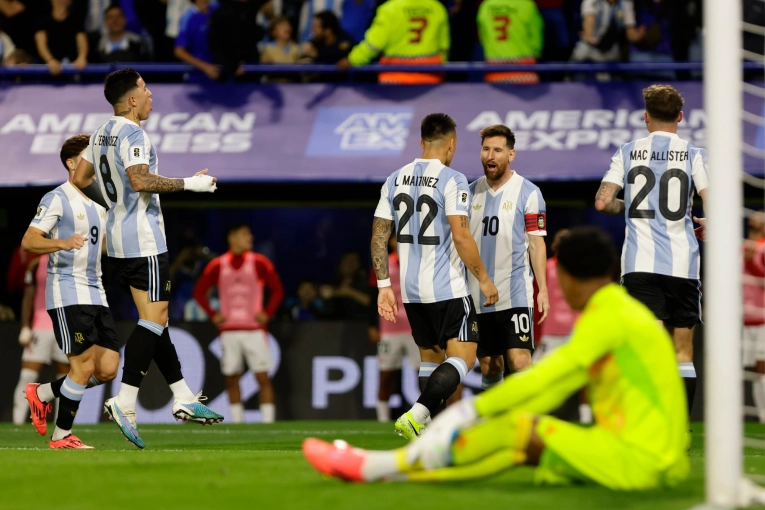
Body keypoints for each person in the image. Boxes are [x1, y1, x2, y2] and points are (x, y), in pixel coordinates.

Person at [303, 227, 690, 491]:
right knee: (521, 446)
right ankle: (393, 474)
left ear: (567, 277)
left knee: (517, 431)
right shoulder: (624, 310)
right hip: (660, 461)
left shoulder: (610, 317)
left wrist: (469, 413)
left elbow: (547, 381)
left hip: (643, 463)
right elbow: (547, 389)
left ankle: (374, 467)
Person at [72, 68, 223, 449]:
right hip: (145, 240)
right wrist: (192, 184)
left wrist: (114, 202)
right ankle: (125, 401)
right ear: (132, 99)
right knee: (154, 322)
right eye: (144, 87)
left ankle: (184, 396)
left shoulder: (100, 133)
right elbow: (140, 180)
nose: (151, 93)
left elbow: (81, 177)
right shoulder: (133, 133)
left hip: (119, 241)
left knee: (155, 320)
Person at [370, 112, 498, 440]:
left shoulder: (394, 179)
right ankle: (417, 414)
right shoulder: (452, 179)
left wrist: (385, 286)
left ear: (420, 142)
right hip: (448, 287)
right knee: (463, 358)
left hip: (412, 292)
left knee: (430, 359)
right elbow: (461, 235)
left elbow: (379, 236)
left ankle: (429, 434)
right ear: (451, 145)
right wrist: (483, 278)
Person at [595, 84, 708, 419]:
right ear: (681, 117)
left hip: (639, 266)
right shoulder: (694, 153)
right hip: (683, 267)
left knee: (647, 350)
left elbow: (602, 202)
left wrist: (629, 205)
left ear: (646, 117)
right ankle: (681, 431)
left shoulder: (627, 151)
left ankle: (647, 425)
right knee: (682, 352)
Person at [20, 134, 121, 449]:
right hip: (67, 290)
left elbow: (100, 247)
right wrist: (61, 242)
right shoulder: (57, 197)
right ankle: (61, 436)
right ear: (72, 162)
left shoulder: (98, 205)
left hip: (96, 292)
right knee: (83, 366)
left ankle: (44, 393)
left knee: (106, 369)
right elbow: (29, 240)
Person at [468, 124, 549, 391]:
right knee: (490, 365)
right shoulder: (468, 194)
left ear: (511, 154)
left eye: (498, 150)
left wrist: (543, 289)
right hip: (477, 296)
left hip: (515, 293)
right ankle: (497, 424)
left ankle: (524, 425)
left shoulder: (528, 192)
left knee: (520, 360)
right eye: (486, 149)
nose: (491, 156)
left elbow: (536, 244)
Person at [192, 223, 284, 423]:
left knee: (262, 377)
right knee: (232, 377)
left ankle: (268, 422)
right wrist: (212, 313)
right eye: (245, 234)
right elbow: (199, 292)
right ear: (232, 238)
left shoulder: (259, 262)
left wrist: (267, 313)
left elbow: (277, 289)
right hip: (229, 330)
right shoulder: (218, 265)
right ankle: (237, 423)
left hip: (254, 330)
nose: (250, 237)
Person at [533, 229, 591, 424]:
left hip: (569, 332)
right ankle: (541, 412)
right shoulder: (548, 268)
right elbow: (536, 300)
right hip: (553, 332)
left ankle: (584, 414)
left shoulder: (577, 270)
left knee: (581, 376)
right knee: (540, 374)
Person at [11, 253, 69, 426]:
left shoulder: (71, 262)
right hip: (40, 326)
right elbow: (28, 295)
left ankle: (62, 423)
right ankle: (17, 423)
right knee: (27, 375)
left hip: (64, 327)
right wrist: (25, 326)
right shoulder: (36, 264)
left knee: (65, 378)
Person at [368, 234, 419, 422]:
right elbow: (373, 295)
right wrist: (372, 325)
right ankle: (382, 420)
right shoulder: (382, 263)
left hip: (415, 327)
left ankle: (425, 416)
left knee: (423, 375)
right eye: (396, 238)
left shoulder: (418, 261)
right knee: (386, 375)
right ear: (390, 242)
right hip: (389, 328)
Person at [337, 0, 450, 84]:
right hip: (431, 77)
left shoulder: (390, 9)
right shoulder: (437, 8)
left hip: (395, 78)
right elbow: (444, 48)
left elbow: (373, 45)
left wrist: (352, 59)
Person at [476, 0, 543, 83]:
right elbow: (536, 39)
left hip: (494, 73)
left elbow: (482, 37)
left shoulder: (486, 6)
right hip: (524, 74)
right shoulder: (527, 5)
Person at [744, 212, 765, 422]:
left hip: (762, 316)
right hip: (745, 317)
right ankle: (761, 414)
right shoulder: (744, 247)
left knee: (762, 366)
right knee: (755, 370)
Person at [34, 0, 88, 76]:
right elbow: (41, 45)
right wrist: (50, 60)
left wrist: (82, 57)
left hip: (72, 70)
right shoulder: (42, 20)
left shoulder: (76, 20)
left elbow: (82, 41)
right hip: (47, 72)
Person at [174, 0, 219, 81]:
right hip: (197, 78)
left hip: (221, 75)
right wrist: (205, 67)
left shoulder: (217, 9)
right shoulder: (187, 18)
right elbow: (179, 51)